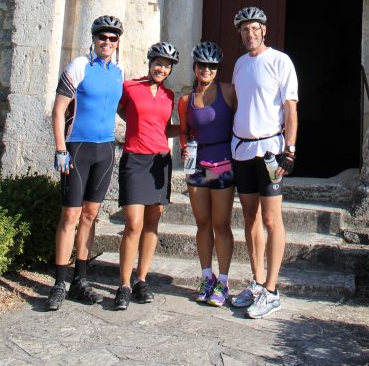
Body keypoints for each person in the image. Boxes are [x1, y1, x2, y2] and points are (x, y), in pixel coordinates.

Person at [46, 15, 125, 311]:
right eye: (102, 37)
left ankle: (81, 279)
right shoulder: (79, 66)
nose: (107, 42)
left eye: (113, 38)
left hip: (105, 150)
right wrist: (60, 149)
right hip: (77, 148)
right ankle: (58, 284)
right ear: (93, 39)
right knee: (70, 216)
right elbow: (58, 111)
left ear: (118, 42)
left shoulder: (119, 71)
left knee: (91, 215)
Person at [229, 7, 298, 319]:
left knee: (272, 219)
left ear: (264, 30)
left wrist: (291, 150)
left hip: (270, 150)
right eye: (245, 30)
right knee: (249, 217)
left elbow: (290, 108)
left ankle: (272, 290)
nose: (250, 34)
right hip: (242, 149)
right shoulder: (240, 64)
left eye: (255, 28)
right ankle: (257, 282)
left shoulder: (280, 61)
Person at [113, 41, 181, 310]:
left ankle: (141, 279)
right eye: (158, 63)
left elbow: (164, 128)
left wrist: (188, 130)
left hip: (159, 162)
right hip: (135, 159)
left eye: (166, 65)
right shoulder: (130, 87)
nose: (161, 68)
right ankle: (123, 284)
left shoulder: (169, 96)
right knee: (133, 224)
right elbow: (120, 109)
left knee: (152, 224)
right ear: (149, 62)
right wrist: (135, 125)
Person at [178, 41, 237, 308]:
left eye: (211, 66)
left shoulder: (229, 92)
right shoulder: (186, 99)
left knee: (221, 224)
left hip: (223, 163)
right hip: (198, 166)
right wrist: (183, 151)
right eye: (202, 65)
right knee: (202, 223)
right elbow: (183, 132)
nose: (206, 70)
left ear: (217, 69)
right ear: (195, 67)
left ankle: (223, 282)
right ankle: (206, 277)